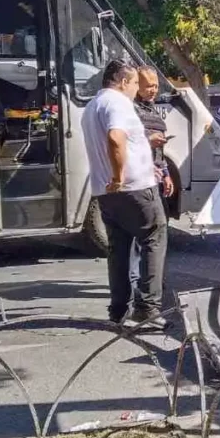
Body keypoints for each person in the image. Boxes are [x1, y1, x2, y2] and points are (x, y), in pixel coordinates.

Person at [80, 60, 168, 327]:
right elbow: (116, 137)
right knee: (154, 237)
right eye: (134, 84)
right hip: (134, 188)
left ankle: (119, 310)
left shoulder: (92, 106)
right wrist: (119, 176)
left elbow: (125, 142)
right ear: (122, 82)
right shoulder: (117, 102)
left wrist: (144, 159)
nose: (136, 90)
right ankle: (148, 308)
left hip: (107, 193)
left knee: (119, 249)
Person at [129, 65, 173, 297]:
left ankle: (152, 281)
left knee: (156, 234)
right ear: (137, 86)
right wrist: (148, 140)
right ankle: (138, 285)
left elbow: (159, 151)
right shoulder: (130, 110)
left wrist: (165, 173)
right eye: (148, 86)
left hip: (155, 175)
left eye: (155, 85)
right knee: (141, 235)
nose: (153, 90)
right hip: (138, 179)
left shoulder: (152, 108)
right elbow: (127, 142)